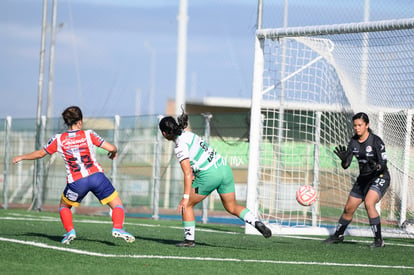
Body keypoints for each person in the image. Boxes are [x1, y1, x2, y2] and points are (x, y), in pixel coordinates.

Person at [12, 106, 135, 245]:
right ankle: (118, 228)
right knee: (117, 204)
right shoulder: (89, 134)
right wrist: (113, 152)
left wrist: (21, 157)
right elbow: (111, 148)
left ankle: (70, 231)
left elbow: (41, 153)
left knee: (64, 206)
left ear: (66, 122)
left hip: (77, 182)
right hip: (97, 177)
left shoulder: (59, 139)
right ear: (80, 122)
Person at [159, 111, 272, 247]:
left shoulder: (179, 146)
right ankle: (255, 222)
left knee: (187, 205)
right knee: (232, 207)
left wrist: (185, 197)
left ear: (164, 134)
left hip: (209, 174)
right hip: (224, 168)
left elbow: (188, 173)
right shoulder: (189, 135)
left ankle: (189, 241)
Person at [324, 112, 390, 247]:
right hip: (363, 179)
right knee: (349, 208)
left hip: (380, 177)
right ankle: (338, 235)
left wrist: (376, 166)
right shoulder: (353, 142)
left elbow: (383, 164)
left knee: (369, 203)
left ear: (367, 125)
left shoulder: (376, 141)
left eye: (360, 125)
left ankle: (379, 241)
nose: (357, 128)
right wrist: (343, 160)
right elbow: (346, 165)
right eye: (355, 126)